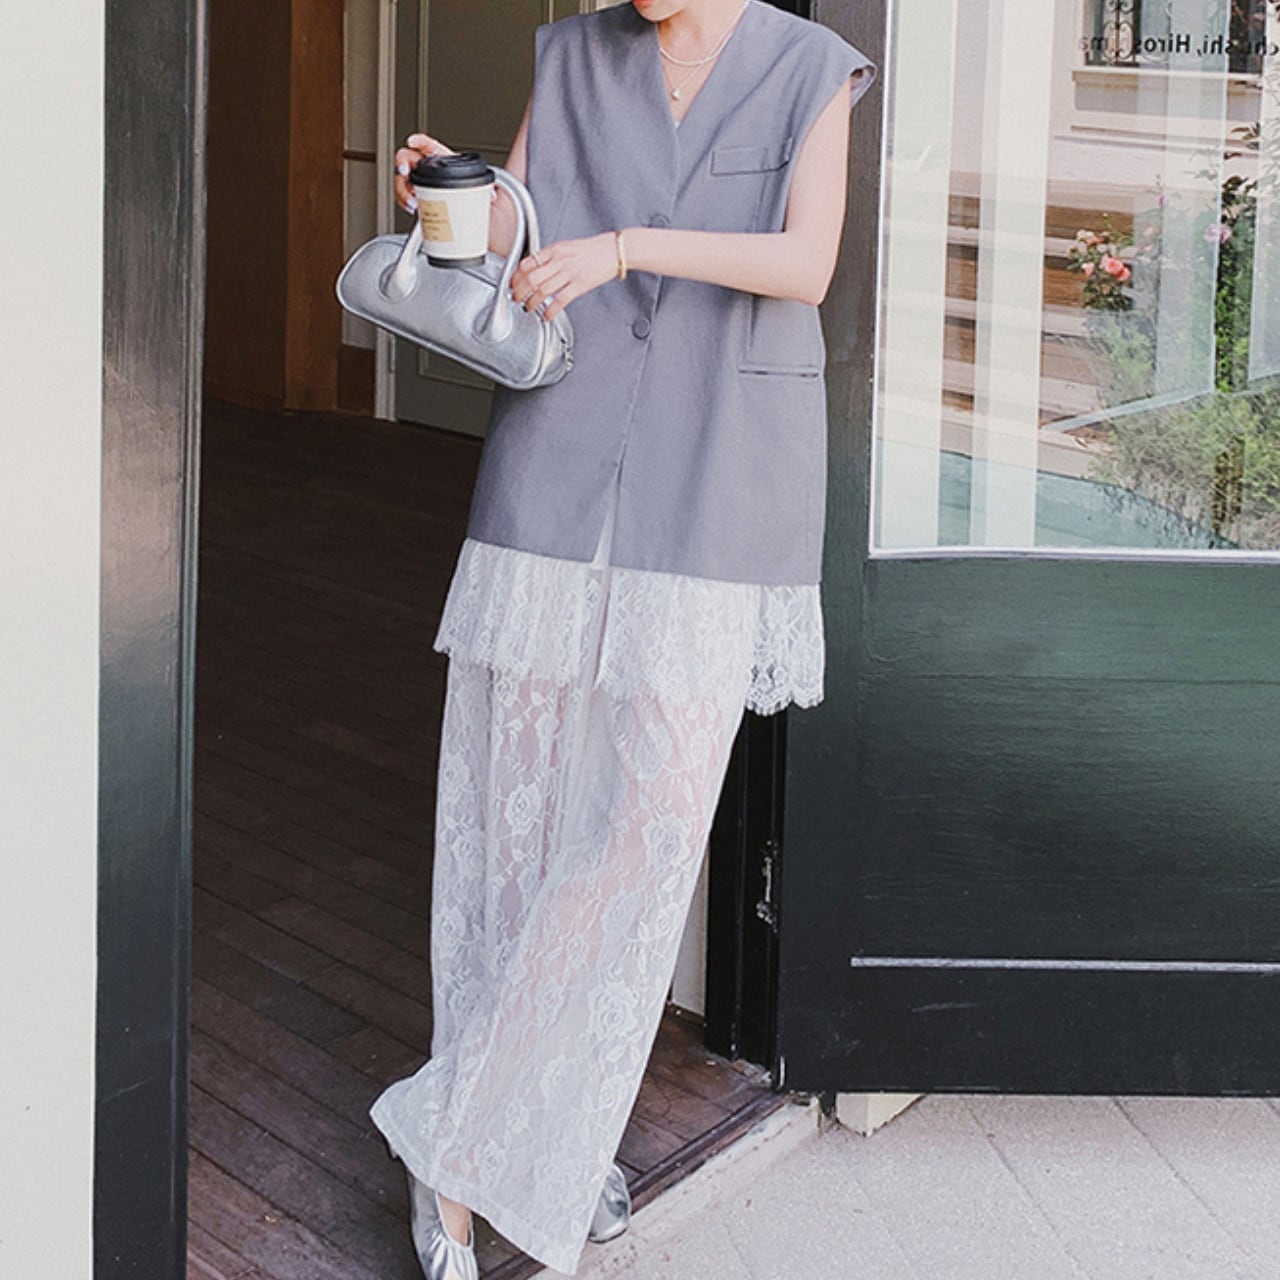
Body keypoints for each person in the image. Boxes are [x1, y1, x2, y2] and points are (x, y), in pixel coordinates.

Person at [368, 2, 876, 1277]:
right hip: (559, 463)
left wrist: (625, 247)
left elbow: (806, 263)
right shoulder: (570, 54)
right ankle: (528, 1142)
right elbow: (521, 227)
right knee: (514, 827)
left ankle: (460, 1136)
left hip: (716, 475)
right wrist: (459, 201)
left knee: (644, 823)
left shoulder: (810, 68)